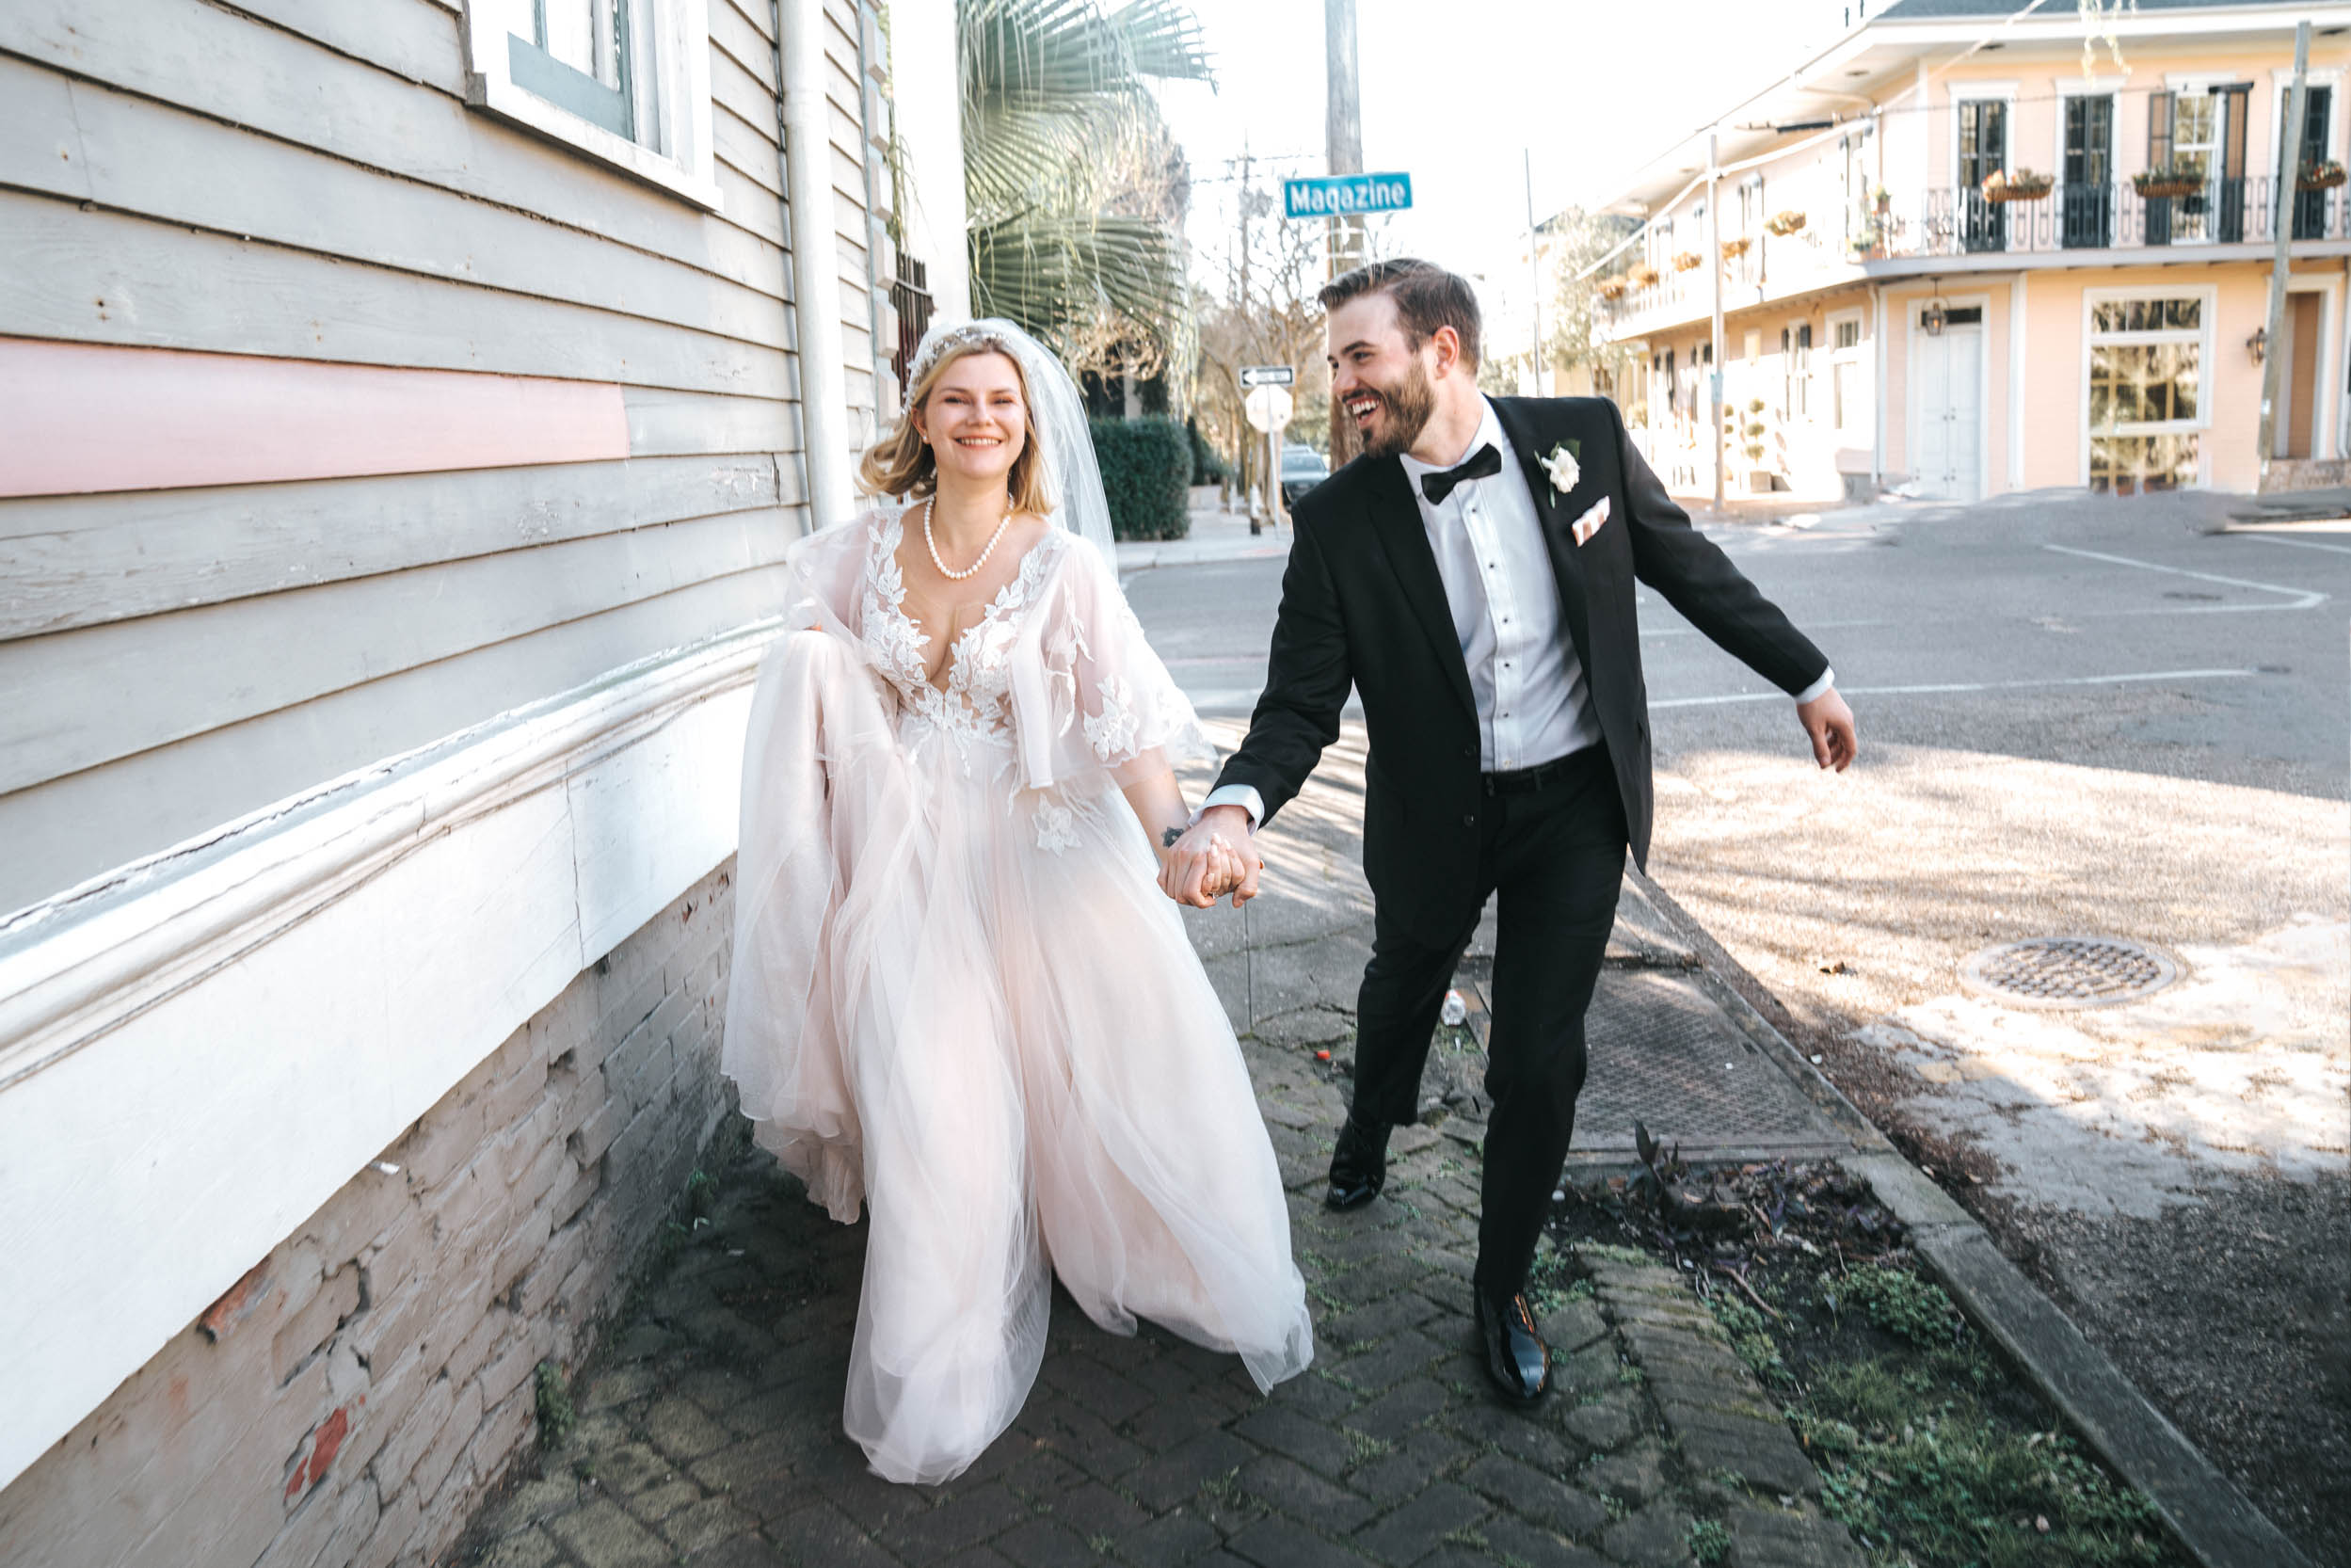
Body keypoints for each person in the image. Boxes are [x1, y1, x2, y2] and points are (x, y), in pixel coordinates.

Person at [1161, 260, 1856, 1404]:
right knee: (1399, 985)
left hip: (1574, 806)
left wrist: (1806, 675)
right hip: (1434, 816)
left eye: (1359, 357)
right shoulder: (1336, 518)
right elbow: (1297, 705)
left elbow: (1687, 565)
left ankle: (1500, 1283)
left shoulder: (1575, 437)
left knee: (1537, 1058)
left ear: (1440, 350)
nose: (1340, 383)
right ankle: (1366, 1126)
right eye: (1333, 362)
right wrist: (1230, 804)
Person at [722, 319, 1312, 1485]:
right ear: (921, 416)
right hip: (902, 867)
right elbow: (813, 699)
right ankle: (938, 1351)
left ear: (1027, 421)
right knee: (937, 1102)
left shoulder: (1062, 564)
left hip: (1043, 853)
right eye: (955, 398)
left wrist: (1178, 839)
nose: (979, 416)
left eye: (1000, 399)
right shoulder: (852, 555)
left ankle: (1149, 1254)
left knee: (1102, 1076)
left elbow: (1127, 731)